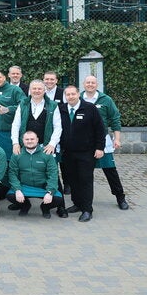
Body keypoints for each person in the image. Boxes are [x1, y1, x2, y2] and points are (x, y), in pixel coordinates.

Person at [58, 86, 107, 222]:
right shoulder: (61, 109)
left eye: (73, 94)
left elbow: (100, 129)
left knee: (85, 180)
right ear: (65, 96)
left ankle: (87, 209)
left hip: (86, 152)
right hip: (68, 152)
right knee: (73, 180)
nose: (71, 96)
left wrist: (100, 147)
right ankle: (77, 204)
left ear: (78, 94)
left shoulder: (90, 108)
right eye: (68, 94)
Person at [81, 75, 129, 210]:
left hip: (102, 142)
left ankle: (120, 197)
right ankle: (81, 202)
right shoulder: (78, 98)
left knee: (110, 171)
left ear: (97, 84)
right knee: (83, 173)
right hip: (84, 143)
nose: (90, 84)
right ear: (83, 84)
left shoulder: (106, 100)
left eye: (93, 82)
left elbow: (115, 119)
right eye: (88, 82)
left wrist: (117, 139)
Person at [6, 131, 62, 218]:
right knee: (11, 195)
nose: (29, 141)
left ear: (37, 140)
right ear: (23, 140)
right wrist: (17, 189)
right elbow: (12, 173)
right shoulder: (17, 154)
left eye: (32, 139)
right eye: (27, 139)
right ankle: (25, 206)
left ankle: (45, 208)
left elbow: (53, 174)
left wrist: (50, 192)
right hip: (24, 186)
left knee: (58, 199)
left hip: (42, 186)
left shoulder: (47, 154)